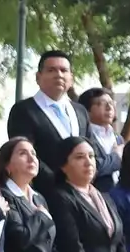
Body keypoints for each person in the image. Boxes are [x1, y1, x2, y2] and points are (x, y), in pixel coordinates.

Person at [7, 50, 104, 196]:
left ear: (71, 78)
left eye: (64, 70)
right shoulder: (24, 110)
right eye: (51, 70)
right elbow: (25, 154)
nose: (58, 74)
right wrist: (60, 183)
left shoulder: (80, 111)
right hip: (47, 193)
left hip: (84, 193)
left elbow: (92, 148)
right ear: (38, 77)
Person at [78, 88, 124, 193]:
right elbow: (95, 167)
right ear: (87, 111)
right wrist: (116, 157)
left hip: (122, 197)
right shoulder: (84, 137)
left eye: (111, 103)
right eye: (100, 104)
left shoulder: (118, 138)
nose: (109, 107)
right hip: (99, 196)